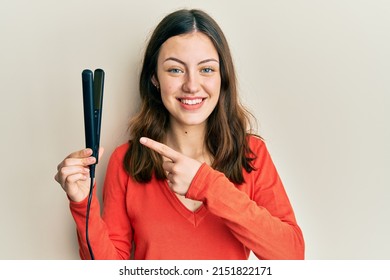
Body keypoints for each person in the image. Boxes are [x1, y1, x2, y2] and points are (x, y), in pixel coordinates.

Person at [54, 9, 304, 260]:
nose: (192, 85)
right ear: (154, 78)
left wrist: (205, 184)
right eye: (175, 70)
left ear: (222, 78)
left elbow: (291, 257)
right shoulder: (126, 161)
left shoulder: (251, 154)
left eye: (207, 70)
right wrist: (82, 204)